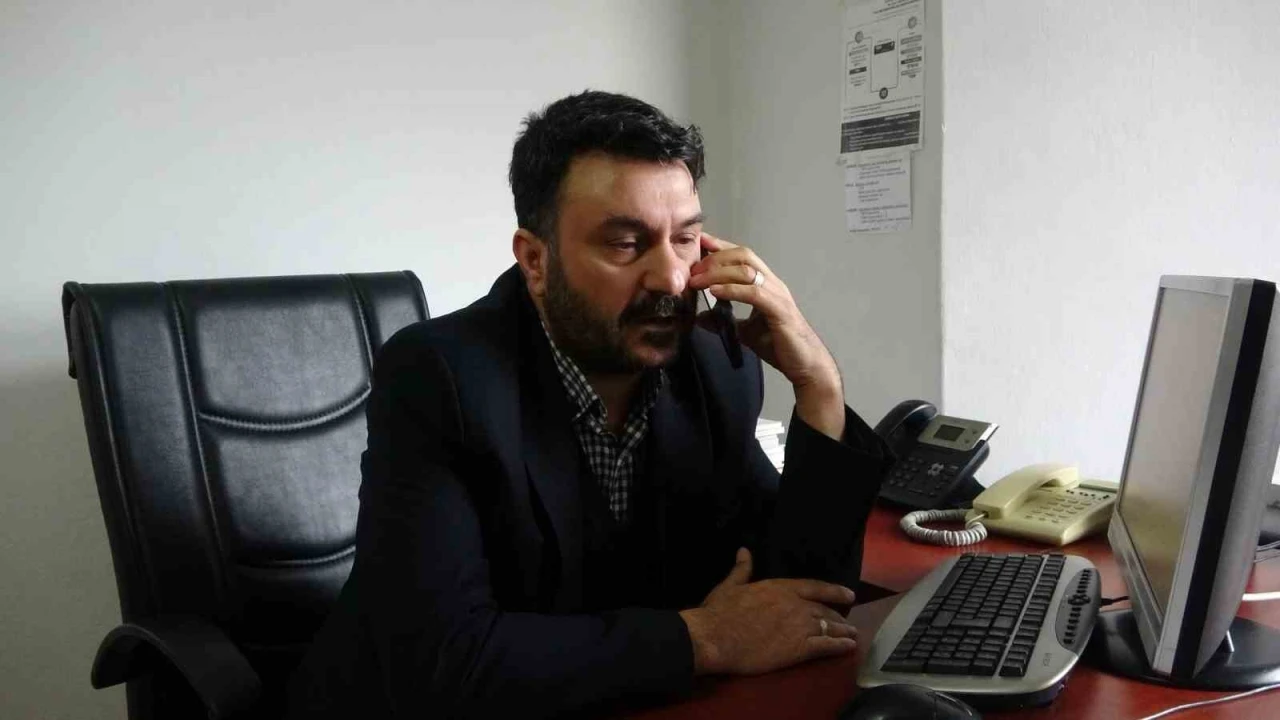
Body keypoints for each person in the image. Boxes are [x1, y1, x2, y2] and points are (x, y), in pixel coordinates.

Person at [288, 90, 893, 719]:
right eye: (626, 244)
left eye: (686, 238)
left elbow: (804, 604)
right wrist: (704, 638)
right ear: (535, 260)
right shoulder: (442, 377)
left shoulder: (712, 364)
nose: (672, 279)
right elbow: (443, 661)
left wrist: (818, 386)